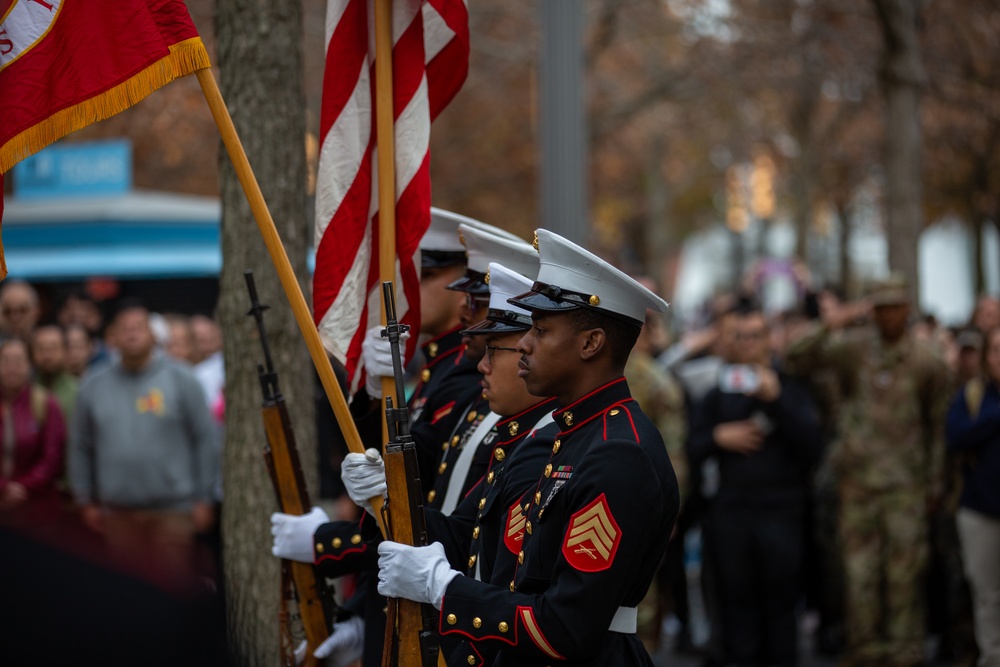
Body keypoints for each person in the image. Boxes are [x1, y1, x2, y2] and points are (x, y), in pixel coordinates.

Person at [372, 229, 679, 666]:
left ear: (591, 343)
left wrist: (446, 589)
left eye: (541, 330)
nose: (526, 345)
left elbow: (566, 628)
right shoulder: (574, 434)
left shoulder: (617, 452)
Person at [785, 275, 951, 667]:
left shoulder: (928, 360)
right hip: (857, 484)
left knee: (905, 575)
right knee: (858, 575)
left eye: (895, 306)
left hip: (906, 487)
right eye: (880, 307)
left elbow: (939, 428)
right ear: (871, 309)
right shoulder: (854, 350)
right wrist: (835, 320)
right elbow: (793, 357)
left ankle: (906, 653)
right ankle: (863, 651)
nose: (888, 315)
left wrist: (934, 483)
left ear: (907, 309)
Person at [689, 305, 824, 667]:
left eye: (755, 336)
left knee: (781, 611)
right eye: (740, 337)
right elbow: (691, 445)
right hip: (731, 515)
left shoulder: (791, 386)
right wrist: (718, 437)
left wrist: (776, 400)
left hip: (782, 514)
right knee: (736, 609)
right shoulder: (717, 392)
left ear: (770, 339)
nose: (748, 344)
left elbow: (813, 447)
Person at [68, 302, 218, 590]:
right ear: (112, 336)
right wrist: (84, 499)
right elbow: (80, 446)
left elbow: (204, 440)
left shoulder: (182, 379)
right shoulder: (92, 384)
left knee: (175, 592)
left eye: (139, 327)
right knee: (126, 596)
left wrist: (204, 497)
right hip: (117, 514)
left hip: (174, 511)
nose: (132, 334)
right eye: (125, 329)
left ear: (153, 335)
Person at [945, 327, 1000, 667]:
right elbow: (956, 438)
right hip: (981, 511)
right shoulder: (973, 396)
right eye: (995, 350)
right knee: (988, 596)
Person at [0, 338, 67, 532]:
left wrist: (21, 488)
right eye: (5, 361)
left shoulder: (45, 403)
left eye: (18, 361)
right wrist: (3, 487)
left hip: (37, 509)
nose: (12, 367)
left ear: (30, 365)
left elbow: (52, 458)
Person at [30, 325, 79, 427]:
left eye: (53, 348)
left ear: (65, 351)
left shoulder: (78, 392)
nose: (47, 355)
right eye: (41, 349)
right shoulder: (25, 390)